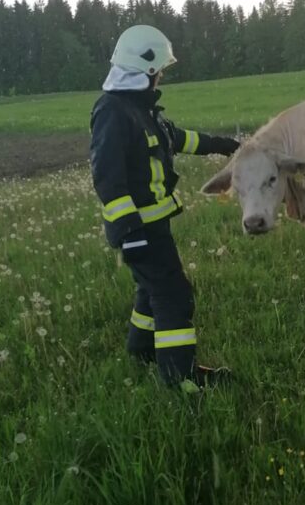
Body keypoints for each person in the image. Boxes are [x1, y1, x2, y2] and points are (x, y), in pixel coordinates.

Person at [90, 25, 240, 387]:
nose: (161, 78)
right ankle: (179, 378)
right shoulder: (113, 112)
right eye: (159, 71)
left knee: (150, 288)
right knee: (174, 295)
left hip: (152, 226)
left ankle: (141, 348)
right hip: (139, 230)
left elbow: (179, 139)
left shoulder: (141, 109)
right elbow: (108, 178)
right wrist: (131, 233)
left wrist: (226, 145)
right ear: (145, 70)